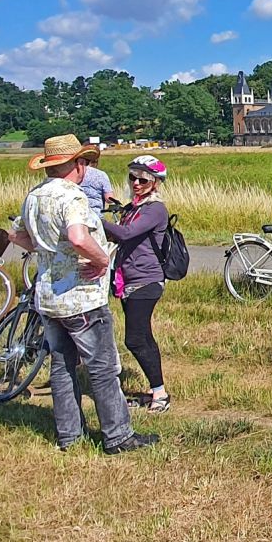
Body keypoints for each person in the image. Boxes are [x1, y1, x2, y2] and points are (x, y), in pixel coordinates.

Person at [7, 134, 157, 455]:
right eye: (84, 162)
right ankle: (118, 436)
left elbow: (20, 236)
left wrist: (49, 251)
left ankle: (69, 436)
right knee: (102, 368)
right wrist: (101, 259)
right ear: (76, 164)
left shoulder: (34, 196)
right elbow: (77, 237)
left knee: (62, 367)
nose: (86, 167)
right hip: (81, 296)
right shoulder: (71, 196)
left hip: (48, 295)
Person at [103, 155, 172, 413]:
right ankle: (157, 391)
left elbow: (127, 234)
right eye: (132, 177)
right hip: (128, 278)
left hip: (147, 279)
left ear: (154, 183)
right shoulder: (134, 207)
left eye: (143, 179)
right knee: (143, 336)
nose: (136, 183)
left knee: (135, 339)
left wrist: (96, 221)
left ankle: (161, 394)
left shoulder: (155, 209)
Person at [77, 152, 115, 216]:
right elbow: (109, 198)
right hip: (96, 216)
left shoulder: (76, 173)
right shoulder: (101, 175)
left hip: (78, 215)